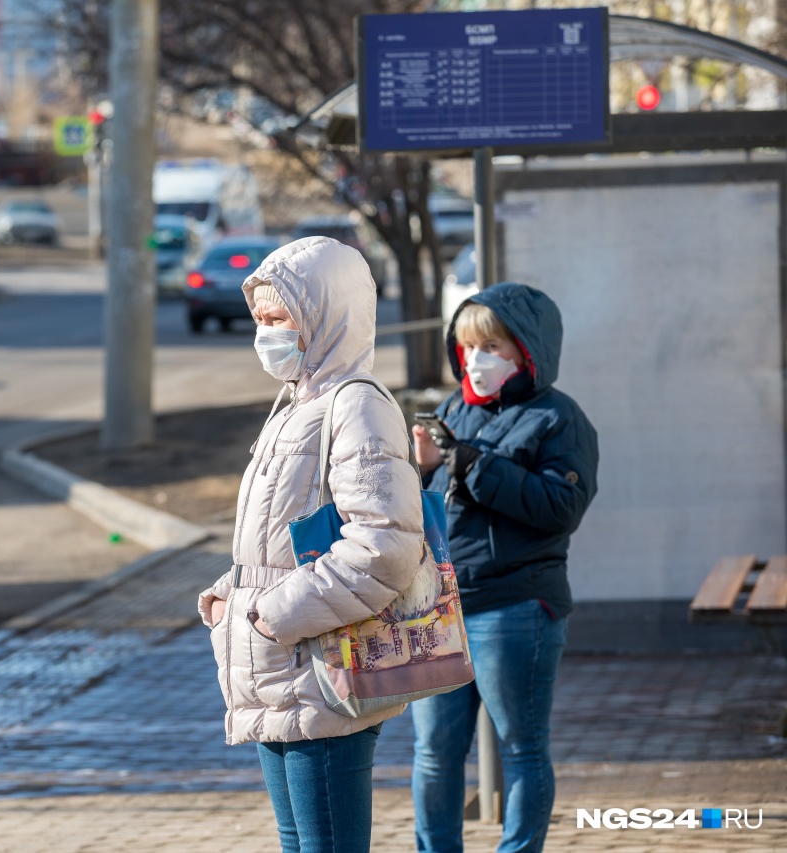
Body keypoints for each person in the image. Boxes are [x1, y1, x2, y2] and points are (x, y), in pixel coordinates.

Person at [198, 237, 425, 853]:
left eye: (279, 320)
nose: (264, 335)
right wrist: (230, 598)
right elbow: (277, 541)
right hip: (277, 670)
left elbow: (383, 546)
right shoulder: (296, 406)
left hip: (320, 670)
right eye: (260, 321)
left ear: (326, 315)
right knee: (298, 842)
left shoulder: (357, 407)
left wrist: (271, 616)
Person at [410, 283, 599, 853]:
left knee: (521, 747)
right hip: (441, 610)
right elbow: (429, 512)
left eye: (491, 346)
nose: (476, 360)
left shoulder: (557, 419)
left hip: (516, 607)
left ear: (527, 350)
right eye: (467, 347)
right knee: (434, 753)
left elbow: (561, 508)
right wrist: (419, 472)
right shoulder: (451, 410)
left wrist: (473, 466)